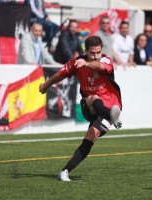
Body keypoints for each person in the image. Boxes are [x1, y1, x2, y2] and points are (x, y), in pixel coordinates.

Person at [39, 36, 122, 181]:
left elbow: (100, 67)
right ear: (86, 51)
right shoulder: (76, 63)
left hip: (109, 104)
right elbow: (60, 74)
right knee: (93, 98)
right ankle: (113, 117)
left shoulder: (106, 60)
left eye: (98, 52)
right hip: (89, 105)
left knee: (91, 137)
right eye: (92, 53)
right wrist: (46, 85)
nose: (96, 56)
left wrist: (87, 64)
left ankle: (65, 171)